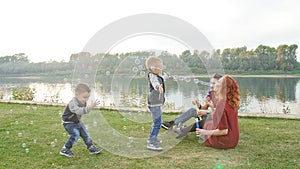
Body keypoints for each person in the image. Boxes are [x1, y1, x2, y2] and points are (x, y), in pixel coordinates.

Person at [195, 75, 240, 149]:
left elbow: (224, 131)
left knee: (207, 125)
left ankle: (203, 135)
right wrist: (212, 107)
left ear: (223, 88)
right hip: (234, 140)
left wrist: (204, 132)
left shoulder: (221, 104)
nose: (215, 84)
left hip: (224, 142)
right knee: (209, 123)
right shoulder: (232, 101)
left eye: (218, 82)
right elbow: (218, 119)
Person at [60, 83, 103, 157]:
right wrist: (90, 107)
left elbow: (86, 111)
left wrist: (90, 107)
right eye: (84, 97)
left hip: (77, 122)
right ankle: (65, 149)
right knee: (75, 135)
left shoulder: (83, 102)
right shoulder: (73, 103)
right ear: (77, 94)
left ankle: (91, 147)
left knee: (86, 134)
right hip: (69, 123)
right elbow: (79, 111)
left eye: (87, 97)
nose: (86, 99)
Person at [145, 56, 166, 151]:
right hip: (154, 103)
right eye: (160, 67)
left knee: (158, 122)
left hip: (156, 103)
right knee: (157, 122)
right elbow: (155, 83)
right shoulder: (152, 76)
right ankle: (151, 142)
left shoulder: (156, 75)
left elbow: (161, 78)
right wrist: (158, 87)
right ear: (153, 68)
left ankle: (153, 138)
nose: (161, 69)